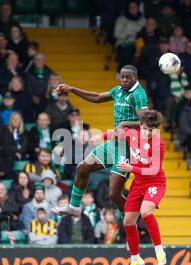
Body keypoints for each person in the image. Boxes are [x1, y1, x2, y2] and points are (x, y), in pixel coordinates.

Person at [54, 65, 148, 217]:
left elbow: (145, 122)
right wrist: (72, 89)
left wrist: (124, 125)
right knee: (82, 168)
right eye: (122, 76)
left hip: (130, 148)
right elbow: (97, 97)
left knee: (113, 194)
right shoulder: (118, 91)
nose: (124, 80)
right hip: (114, 144)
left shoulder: (139, 95)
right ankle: (74, 207)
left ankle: (134, 218)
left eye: (128, 77)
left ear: (135, 78)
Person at [97, 110, 166, 265]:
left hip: (155, 182)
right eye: (145, 129)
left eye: (152, 130)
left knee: (145, 211)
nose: (148, 132)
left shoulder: (159, 144)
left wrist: (131, 168)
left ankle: (159, 250)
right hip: (138, 184)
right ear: (140, 126)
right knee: (128, 221)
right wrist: (100, 137)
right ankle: (136, 259)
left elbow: (154, 169)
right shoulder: (132, 134)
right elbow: (117, 132)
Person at [113, 1, 145, 71]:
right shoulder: (121, 19)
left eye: (135, 7)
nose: (133, 9)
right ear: (128, 8)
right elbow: (116, 33)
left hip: (139, 44)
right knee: (128, 52)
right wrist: (127, 36)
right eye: (131, 7)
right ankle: (121, 71)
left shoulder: (143, 20)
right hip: (124, 43)